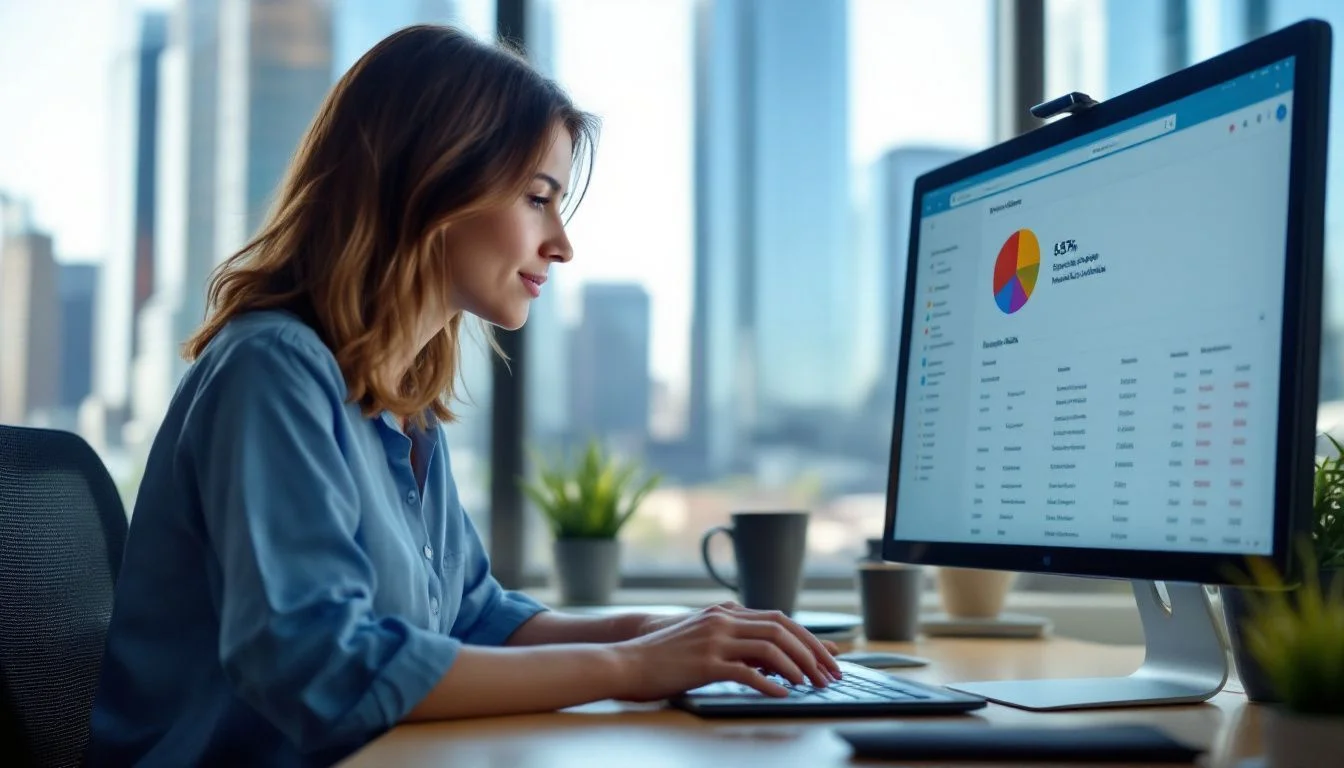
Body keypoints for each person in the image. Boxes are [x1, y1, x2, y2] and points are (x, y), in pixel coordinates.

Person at [85, 24, 840, 767]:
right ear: (433, 183)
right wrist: (634, 668)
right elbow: (317, 665)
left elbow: (475, 618)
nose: (562, 243)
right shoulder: (273, 370)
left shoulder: (402, 406)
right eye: (538, 198)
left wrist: (659, 628)